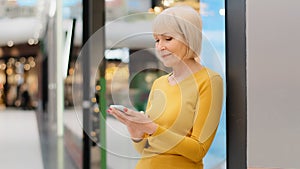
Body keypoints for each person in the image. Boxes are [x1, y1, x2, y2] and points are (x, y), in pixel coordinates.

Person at [107, 5, 224, 169]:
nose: (160, 47)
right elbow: (146, 149)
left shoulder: (209, 81)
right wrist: (136, 132)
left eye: (168, 39)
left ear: (189, 38)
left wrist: (151, 127)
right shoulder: (159, 84)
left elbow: (199, 150)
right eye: (157, 40)